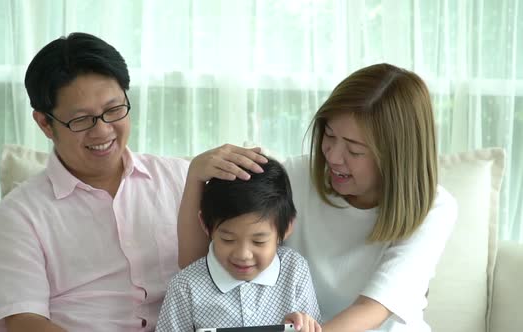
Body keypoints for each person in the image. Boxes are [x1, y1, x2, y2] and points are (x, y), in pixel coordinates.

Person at [177, 63, 457, 332]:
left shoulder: (433, 209)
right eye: (330, 136)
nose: (333, 156)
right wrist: (195, 179)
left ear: (396, 156)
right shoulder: (295, 178)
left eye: (354, 150)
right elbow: (197, 266)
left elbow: (373, 309)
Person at [0, 32, 189, 332]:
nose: (103, 131)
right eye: (81, 120)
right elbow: (25, 321)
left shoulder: (180, 179)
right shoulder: (20, 214)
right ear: (45, 123)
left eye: (113, 110)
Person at [156, 158, 321, 331]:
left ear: (286, 228)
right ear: (205, 225)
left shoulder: (294, 270)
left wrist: (305, 326)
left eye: (259, 241)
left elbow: (314, 325)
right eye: (228, 240)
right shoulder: (185, 286)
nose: (243, 255)